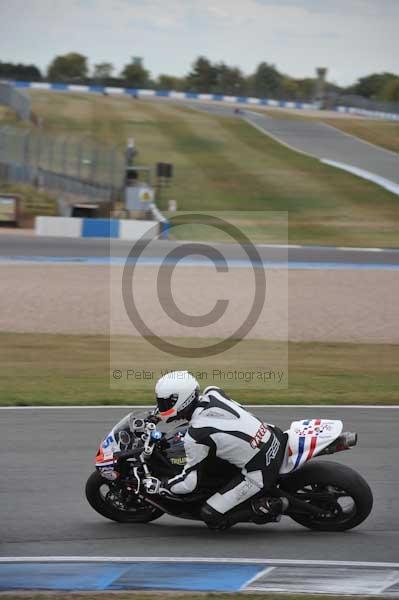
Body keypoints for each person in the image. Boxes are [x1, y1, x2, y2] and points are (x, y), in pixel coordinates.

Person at [143, 370, 288, 530]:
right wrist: (156, 416)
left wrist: (161, 486)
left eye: (165, 403)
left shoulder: (197, 435)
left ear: (181, 401)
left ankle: (270, 506)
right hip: (271, 436)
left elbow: (189, 483)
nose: (161, 407)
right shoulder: (213, 392)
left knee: (211, 515)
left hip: (260, 469)